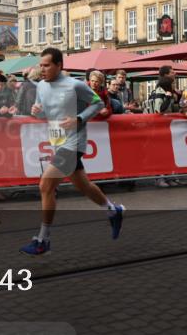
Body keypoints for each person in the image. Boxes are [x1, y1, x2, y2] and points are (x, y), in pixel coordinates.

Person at [21, 47, 123, 256]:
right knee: (83, 185)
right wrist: (36, 112)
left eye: (47, 65)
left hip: (74, 142)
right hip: (58, 141)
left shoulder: (75, 85)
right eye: (41, 65)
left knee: (45, 186)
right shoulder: (41, 86)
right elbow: (46, 113)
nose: (43, 69)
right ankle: (113, 210)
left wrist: (79, 119)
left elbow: (97, 103)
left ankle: (43, 239)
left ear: (59, 66)